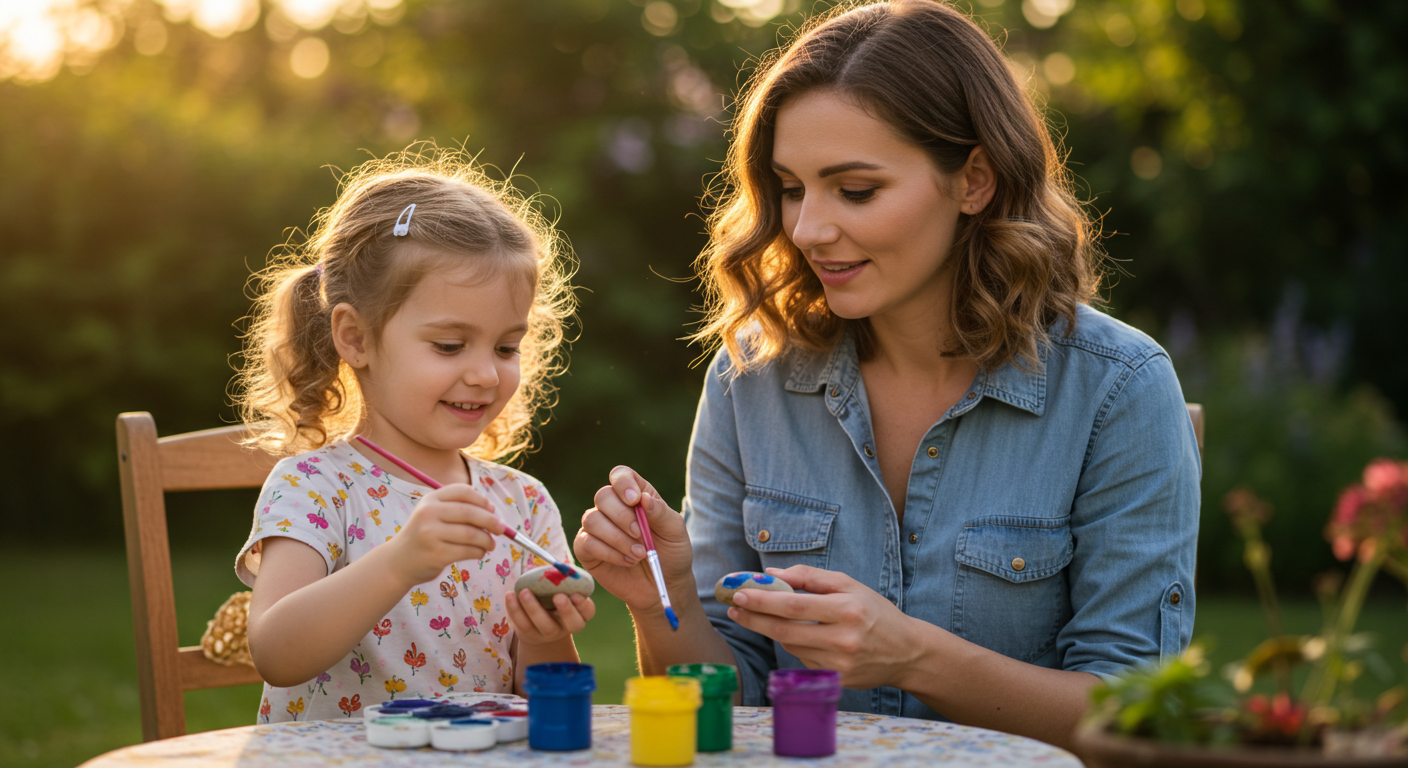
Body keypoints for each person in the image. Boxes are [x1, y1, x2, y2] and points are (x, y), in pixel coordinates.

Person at [574, 0, 1200, 750]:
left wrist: (910, 654)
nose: (807, 230)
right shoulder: (752, 379)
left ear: (974, 181)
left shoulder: (1117, 389)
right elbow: (727, 708)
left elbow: (1134, 719)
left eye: (856, 190)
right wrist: (663, 597)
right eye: (793, 188)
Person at [232, 150, 589, 723]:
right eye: (450, 345)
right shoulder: (318, 487)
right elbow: (276, 652)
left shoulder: (522, 503)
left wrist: (544, 632)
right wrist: (400, 562)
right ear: (356, 338)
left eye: (505, 347)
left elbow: (539, 696)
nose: (485, 373)